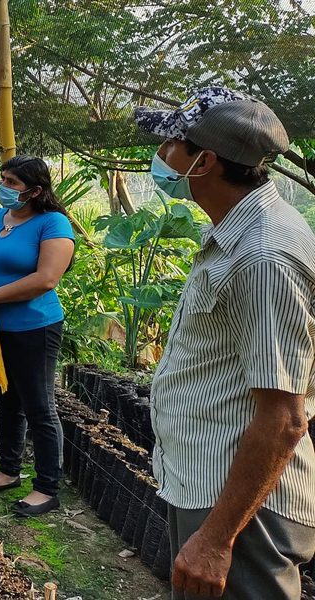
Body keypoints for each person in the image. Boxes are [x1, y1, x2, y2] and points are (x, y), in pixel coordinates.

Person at [134, 87, 315, 600]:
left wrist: (216, 537)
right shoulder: (240, 233)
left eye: (171, 142)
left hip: (242, 511)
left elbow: (284, 418)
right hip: (209, 483)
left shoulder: (264, 255)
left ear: (205, 161)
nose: (161, 156)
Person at [0, 155, 75, 517]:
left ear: (35, 190)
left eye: (12, 182)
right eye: (2, 179)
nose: (3, 187)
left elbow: (46, 279)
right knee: (6, 399)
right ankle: (8, 470)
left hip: (34, 327)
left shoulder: (52, 223)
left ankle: (46, 488)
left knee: (39, 405)